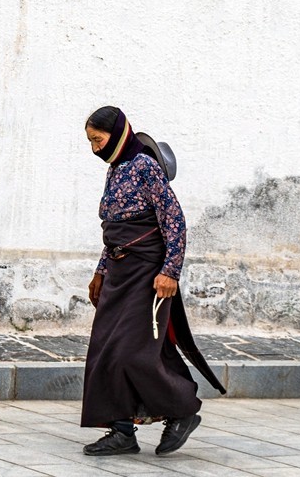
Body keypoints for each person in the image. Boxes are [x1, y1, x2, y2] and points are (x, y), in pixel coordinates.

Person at [81, 105, 224, 457]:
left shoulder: (144, 166)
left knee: (134, 352)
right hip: (118, 273)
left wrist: (170, 271)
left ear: (116, 135)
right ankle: (121, 432)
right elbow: (115, 231)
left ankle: (182, 410)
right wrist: (101, 270)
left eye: (98, 140)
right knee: (105, 349)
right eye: (90, 142)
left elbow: (174, 221)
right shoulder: (116, 170)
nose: (95, 148)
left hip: (148, 275)